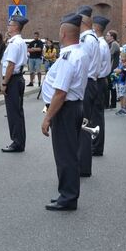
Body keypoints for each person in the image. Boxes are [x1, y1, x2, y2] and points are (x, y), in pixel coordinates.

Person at [40, 13, 87, 211]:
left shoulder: (68, 57)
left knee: (65, 155)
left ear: (64, 32)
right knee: (69, 153)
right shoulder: (80, 53)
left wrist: (47, 118)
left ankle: (67, 197)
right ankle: (67, 193)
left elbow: (60, 93)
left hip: (65, 109)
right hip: (73, 107)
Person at [76, 6, 102, 175]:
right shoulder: (92, 38)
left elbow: (81, 65)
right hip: (91, 83)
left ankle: (83, 166)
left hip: (86, 84)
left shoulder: (86, 40)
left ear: (83, 21)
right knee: (85, 125)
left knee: (83, 126)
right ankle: (83, 164)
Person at [1, 15, 28, 153]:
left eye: (10, 24)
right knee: (18, 111)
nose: (8, 26)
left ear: (16, 27)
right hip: (18, 79)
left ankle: (16, 142)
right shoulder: (20, 42)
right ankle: (20, 141)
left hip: (13, 79)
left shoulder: (14, 43)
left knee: (13, 113)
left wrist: (5, 82)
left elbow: (11, 65)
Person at [92, 16, 112, 157]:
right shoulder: (102, 43)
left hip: (98, 81)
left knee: (96, 116)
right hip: (101, 80)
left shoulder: (99, 44)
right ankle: (96, 145)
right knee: (96, 116)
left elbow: (96, 66)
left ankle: (97, 146)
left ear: (96, 27)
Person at [106, 30, 120, 108]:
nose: (106, 37)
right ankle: (110, 103)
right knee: (110, 86)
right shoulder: (109, 44)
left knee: (111, 86)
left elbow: (109, 54)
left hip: (113, 68)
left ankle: (112, 103)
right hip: (111, 68)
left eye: (108, 35)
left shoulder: (114, 44)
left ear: (112, 37)